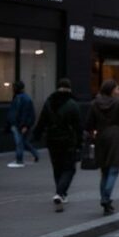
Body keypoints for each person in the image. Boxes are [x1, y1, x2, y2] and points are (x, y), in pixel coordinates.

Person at [85, 79, 119, 215]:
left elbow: (88, 124)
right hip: (117, 137)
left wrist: (93, 135)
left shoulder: (94, 103)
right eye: (117, 89)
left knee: (104, 171)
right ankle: (106, 198)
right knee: (114, 170)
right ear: (111, 90)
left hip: (101, 137)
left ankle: (105, 200)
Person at [34, 78, 83, 212]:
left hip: (52, 141)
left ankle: (61, 193)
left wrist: (36, 136)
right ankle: (60, 193)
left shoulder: (49, 102)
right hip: (68, 141)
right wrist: (80, 143)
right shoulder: (72, 104)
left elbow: (42, 121)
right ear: (69, 89)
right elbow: (78, 126)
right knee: (69, 169)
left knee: (57, 168)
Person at [6, 81, 40, 167]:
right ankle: (35, 154)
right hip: (19, 124)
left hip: (19, 124)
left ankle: (19, 160)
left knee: (19, 143)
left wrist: (25, 125)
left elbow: (25, 113)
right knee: (23, 142)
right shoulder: (22, 98)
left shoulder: (21, 98)